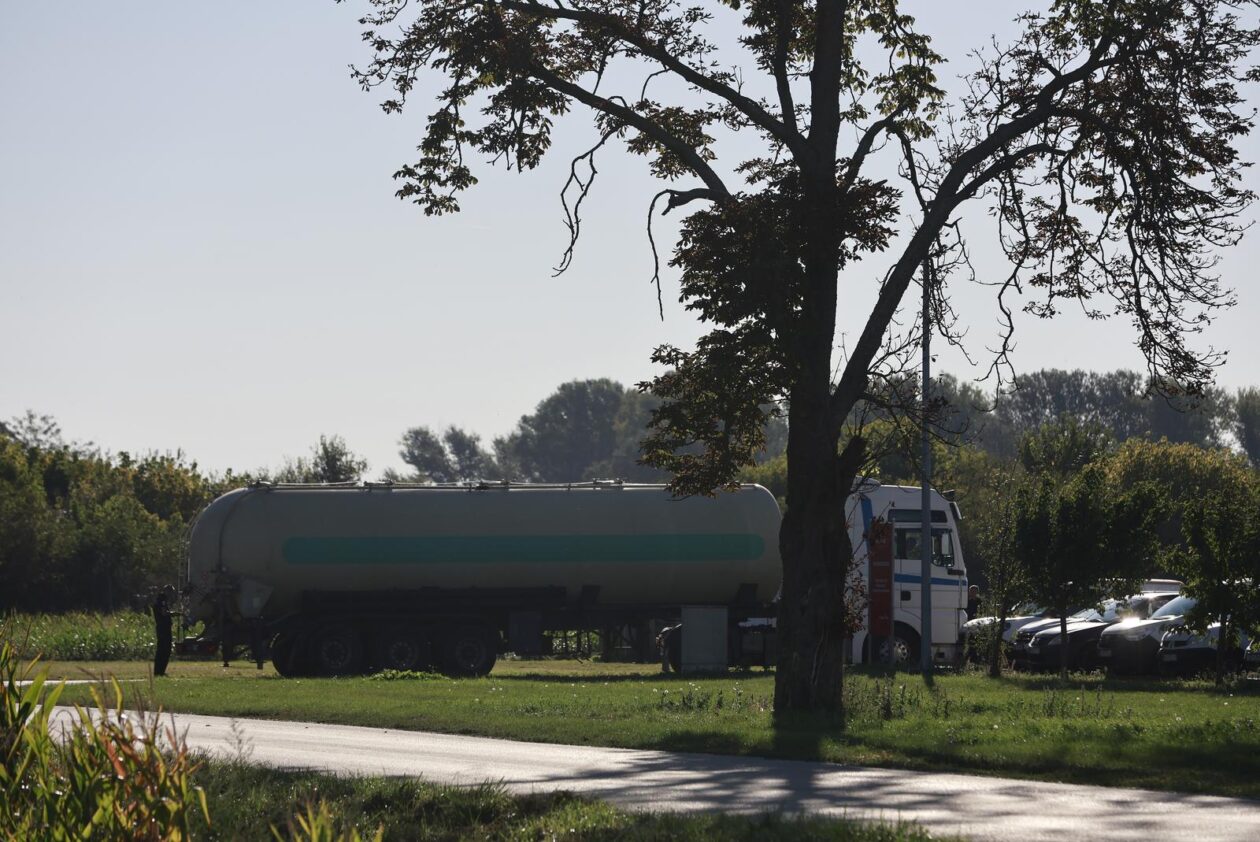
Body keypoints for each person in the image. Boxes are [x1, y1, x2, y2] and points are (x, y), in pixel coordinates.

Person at [151, 585, 175, 677]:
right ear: (167, 591)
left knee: (163, 650)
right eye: (171, 592)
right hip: (163, 628)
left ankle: (160, 671)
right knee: (164, 650)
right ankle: (159, 671)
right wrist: (175, 614)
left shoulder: (160, 600)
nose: (172, 594)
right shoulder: (162, 601)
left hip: (162, 628)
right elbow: (164, 613)